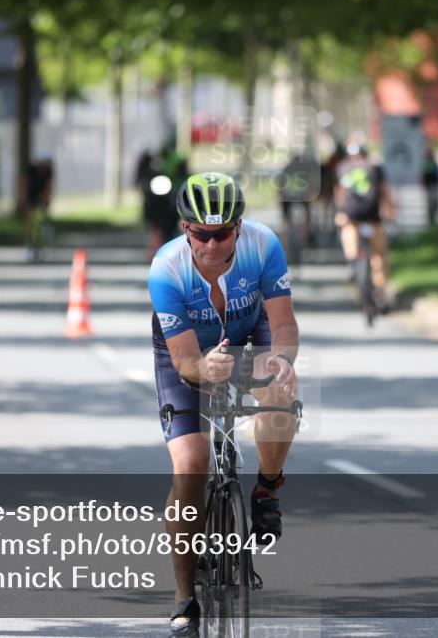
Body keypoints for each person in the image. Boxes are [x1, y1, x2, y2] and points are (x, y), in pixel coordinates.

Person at [148, 172, 300, 637]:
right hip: (186, 352)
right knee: (191, 463)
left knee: (280, 395)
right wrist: (203, 370)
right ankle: (184, 597)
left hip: (249, 336)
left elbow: (284, 324)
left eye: (222, 233)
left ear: (238, 226)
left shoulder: (263, 245)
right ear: (184, 227)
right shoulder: (166, 267)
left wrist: (281, 361)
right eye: (200, 234)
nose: (212, 245)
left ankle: (267, 490)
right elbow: (186, 360)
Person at [333, 136, 396, 308]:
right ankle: (381, 291)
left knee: (351, 248)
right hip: (372, 216)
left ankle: (353, 267)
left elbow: (340, 193)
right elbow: (384, 191)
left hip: (351, 216)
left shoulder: (342, 168)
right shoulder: (374, 167)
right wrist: (390, 210)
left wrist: (340, 213)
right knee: (380, 255)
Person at [276, 152, 315, 255]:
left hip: (287, 198)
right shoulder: (303, 170)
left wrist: (280, 196)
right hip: (301, 197)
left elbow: (280, 185)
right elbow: (310, 185)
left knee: (286, 221)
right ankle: (304, 242)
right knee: (307, 218)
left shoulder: (286, 169)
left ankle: (285, 245)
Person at [22, 156, 54, 261]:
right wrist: (24, 199)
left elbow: (49, 186)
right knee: (29, 221)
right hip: (31, 195)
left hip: (41, 195)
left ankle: (43, 244)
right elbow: (24, 184)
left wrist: (46, 200)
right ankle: (29, 245)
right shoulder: (31, 170)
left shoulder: (49, 171)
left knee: (44, 219)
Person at [421, 147, 438, 226]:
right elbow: (425, 175)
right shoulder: (427, 163)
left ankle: (432, 217)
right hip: (430, 185)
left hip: (433, 185)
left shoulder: (432, 162)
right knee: (431, 202)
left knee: (433, 201)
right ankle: (431, 218)